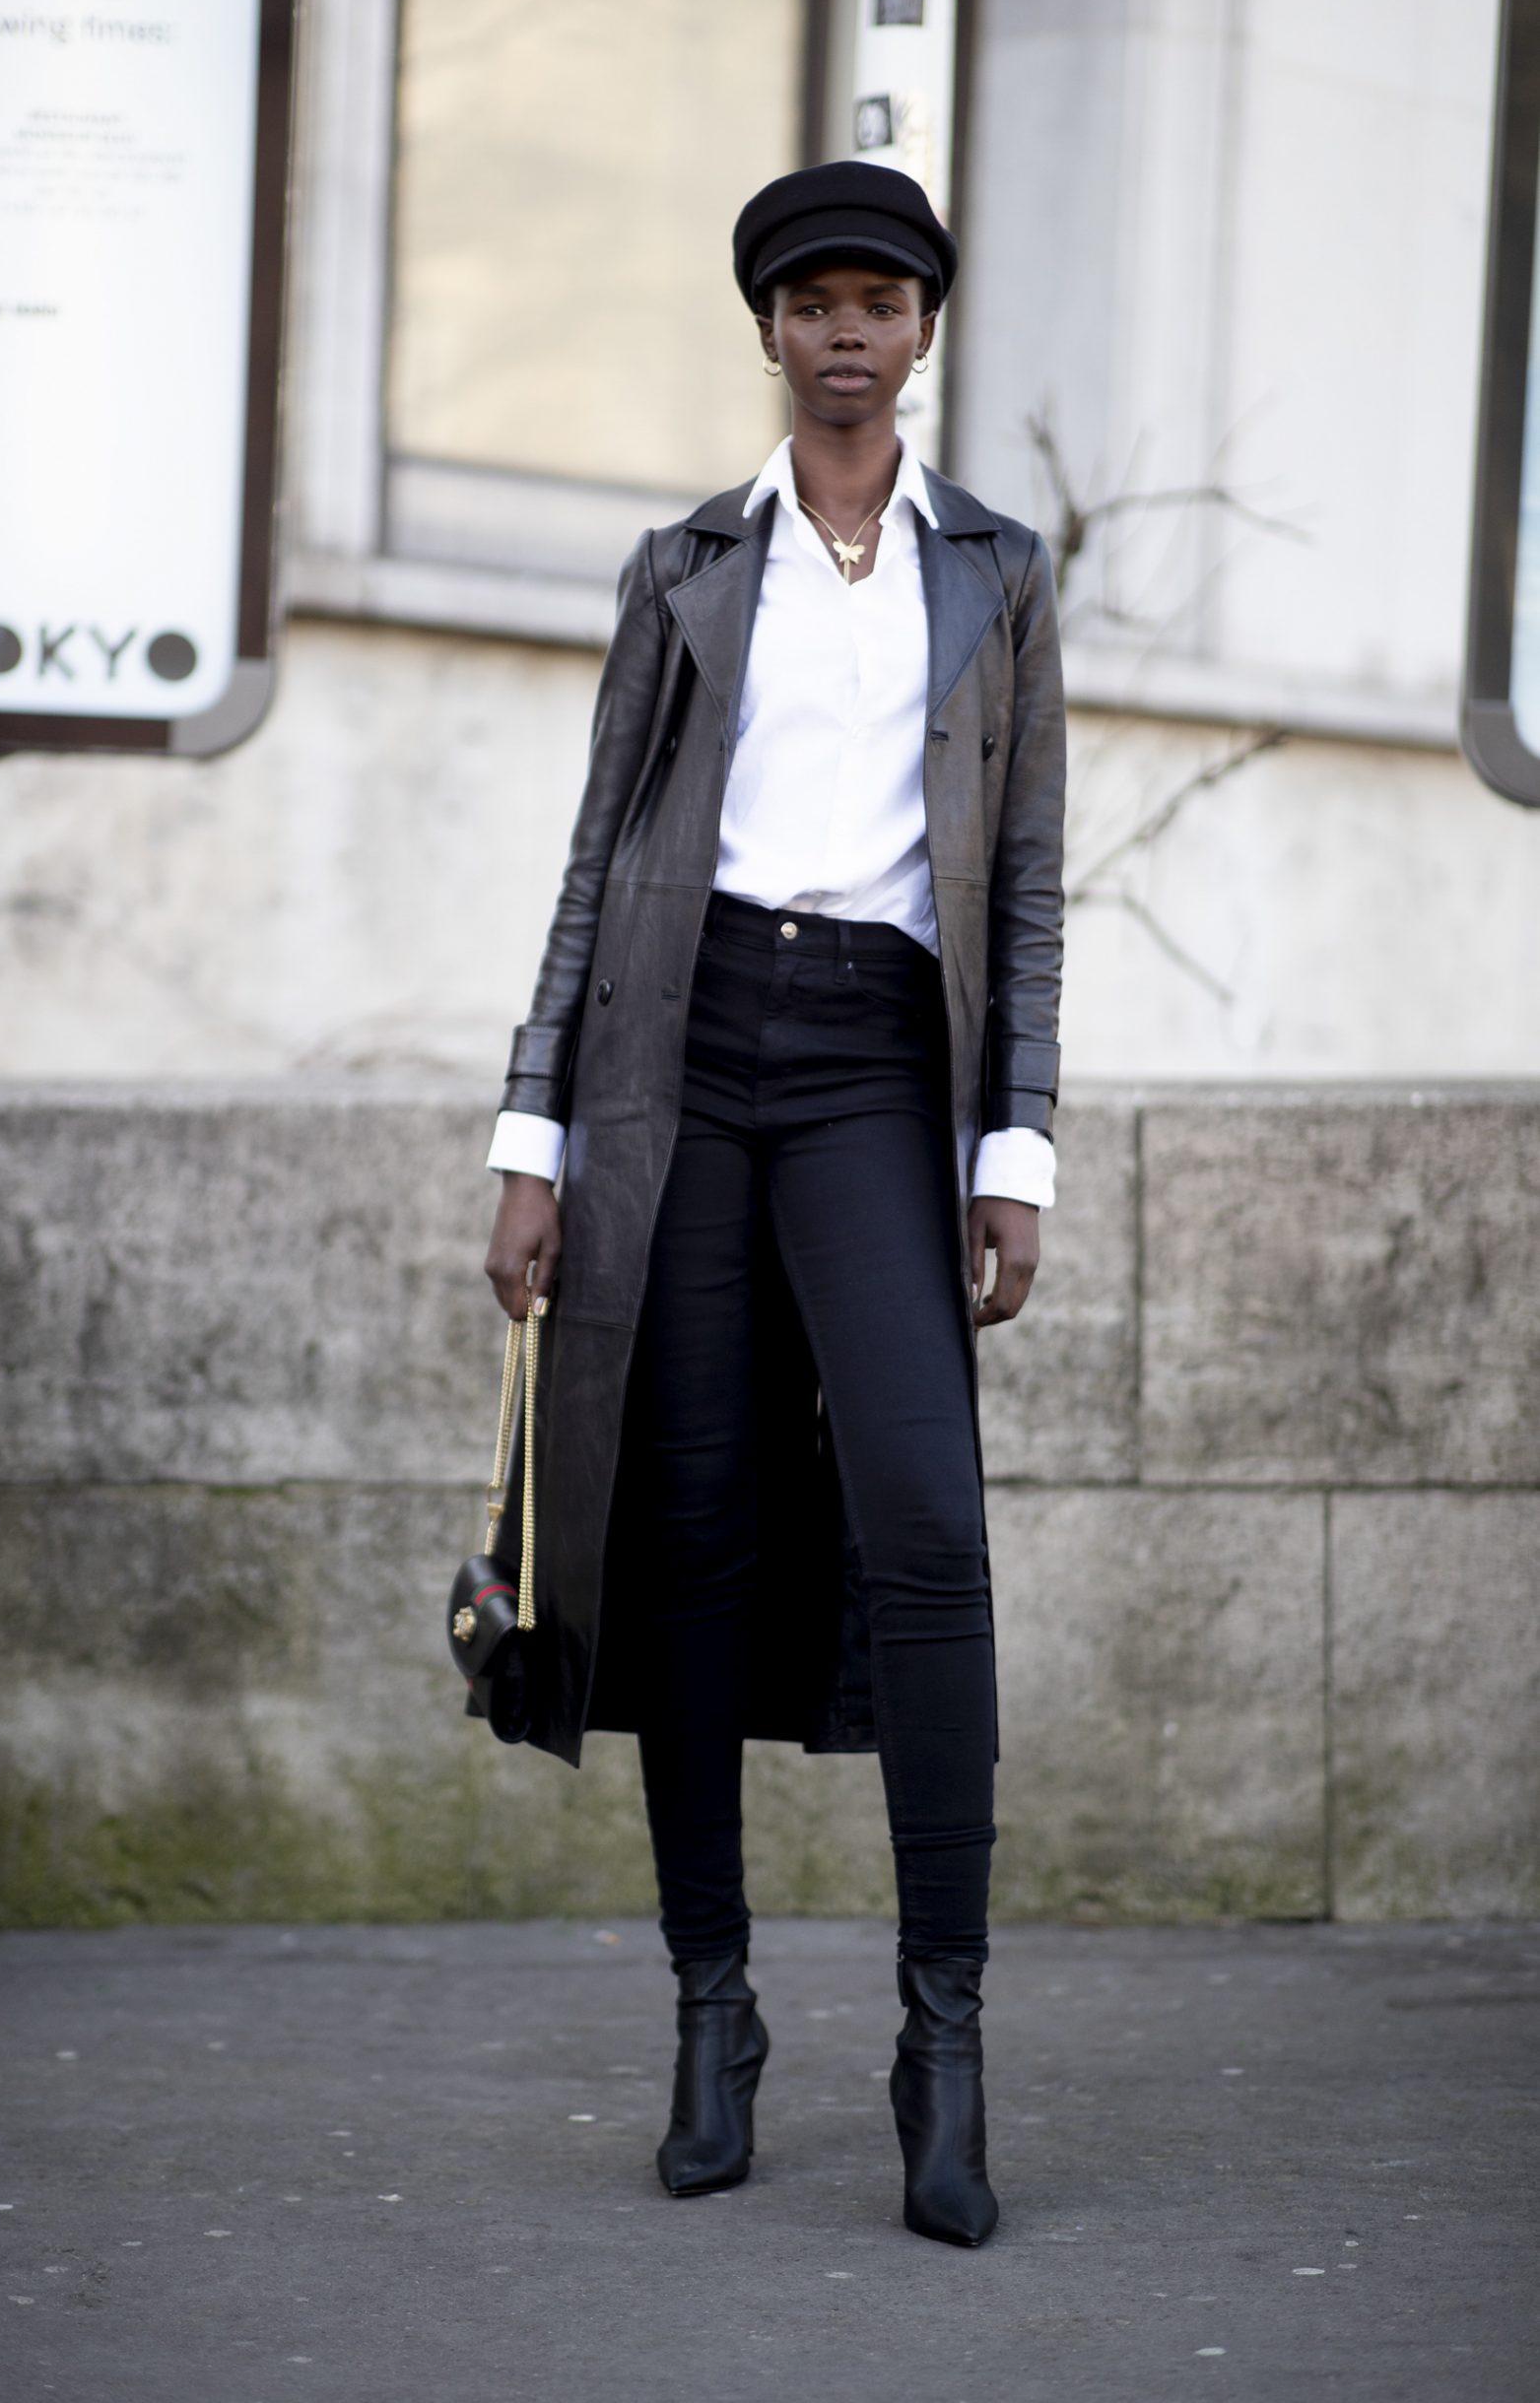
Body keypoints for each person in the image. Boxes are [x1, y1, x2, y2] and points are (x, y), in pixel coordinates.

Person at [482, 160, 1065, 2248]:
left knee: (922, 1514)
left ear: (920, 331)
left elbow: (1017, 886)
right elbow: (592, 854)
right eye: (811, 296)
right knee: (694, 1521)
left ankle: (943, 2031)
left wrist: (1014, 1147)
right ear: (768, 328)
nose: (844, 327)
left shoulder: (991, 572)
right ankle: (710, 2005)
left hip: (875, 1070)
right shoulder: (683, 565)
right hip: (680, 1047)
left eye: (879, 298)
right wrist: (529, 1135)